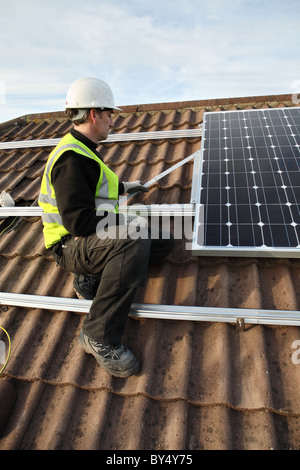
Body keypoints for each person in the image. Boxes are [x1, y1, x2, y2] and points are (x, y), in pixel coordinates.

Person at [38, 77, 173, 378]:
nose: (113, 120)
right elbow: (78, 221)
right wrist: (126, 224)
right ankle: (99, 335)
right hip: (69, 244)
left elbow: (93, 190)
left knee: (162, 242)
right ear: (93, 114)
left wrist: (126, 187)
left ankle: (92, 277)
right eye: (110, 113)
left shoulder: (83, 149)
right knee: (134, 237)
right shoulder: (70, 159)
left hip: (88, 239)